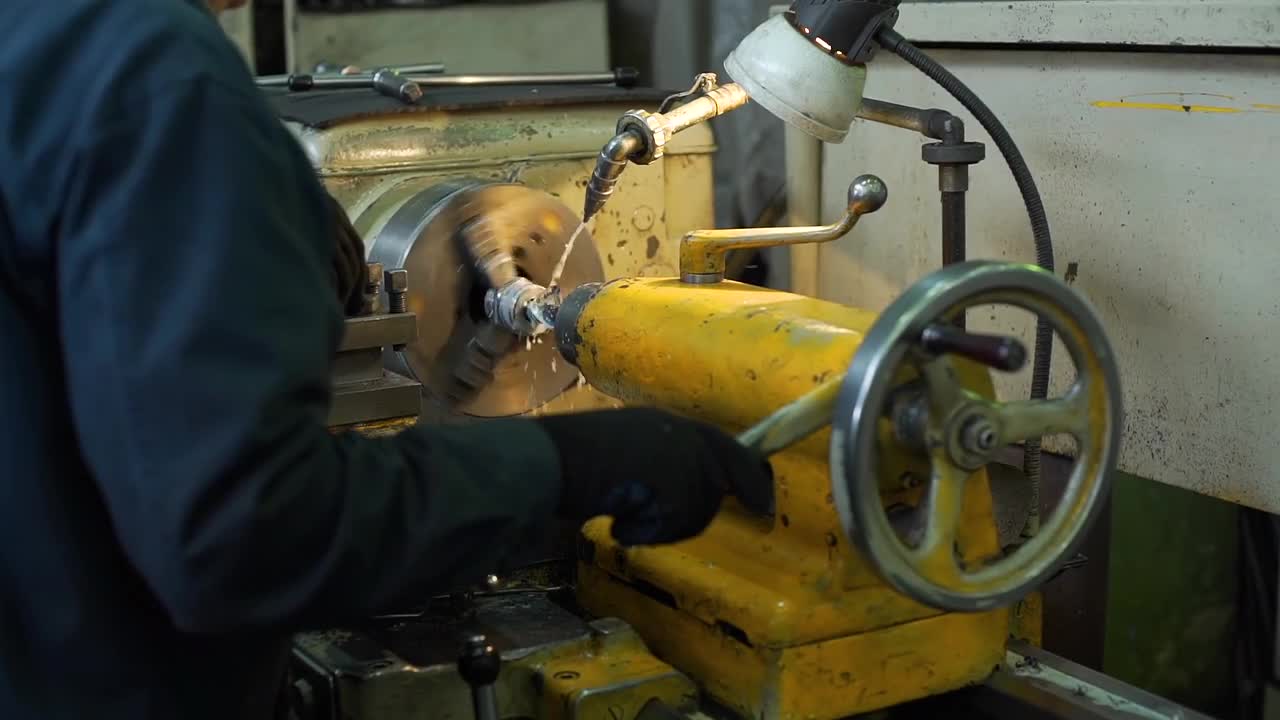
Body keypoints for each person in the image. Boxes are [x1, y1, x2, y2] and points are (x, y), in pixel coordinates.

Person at [0, 1, 771, 717]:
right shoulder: (161, 80)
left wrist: (263, 217)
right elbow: (241, 536)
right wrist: (566, 466)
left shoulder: (50, 38)